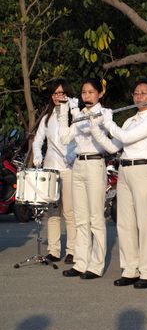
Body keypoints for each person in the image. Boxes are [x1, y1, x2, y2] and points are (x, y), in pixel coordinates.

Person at [90, 79, 147, 288]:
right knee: (124, 222)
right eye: (136, 93)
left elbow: (127, 138)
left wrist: (108, 122)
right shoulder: (130, 120)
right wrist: (96, 127)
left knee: (145, 222)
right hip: (125, 169)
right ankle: (130, 268)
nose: (138, 97)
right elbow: (113, 147)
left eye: (143, 93)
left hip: (143, 169)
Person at [59, 78, 112, 280]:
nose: (86, 96)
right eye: (83, 92)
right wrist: (66, 111)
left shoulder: (105, 113)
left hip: (95, 164)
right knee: (81, 218)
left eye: (90, 92)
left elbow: (100, 133)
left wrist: (85, 118)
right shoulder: (79, 114)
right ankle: (81, 262)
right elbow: (65, 138)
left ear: (99, 94)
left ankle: (96, 265)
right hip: (78, 164)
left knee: (96, 217)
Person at [32, 79, 77, 265]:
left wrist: (72, 156)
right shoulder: (46, 118)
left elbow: (78, 141)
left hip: (68, 168)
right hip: (51, 169)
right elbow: (37, 141)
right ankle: (53, 250)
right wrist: (37, 156)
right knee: (53, 212)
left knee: (69, 212)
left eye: (61, 93)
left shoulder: (74, 116)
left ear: (67, 94)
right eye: (55, 94)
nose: (58, 97)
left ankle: (73, 251)